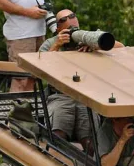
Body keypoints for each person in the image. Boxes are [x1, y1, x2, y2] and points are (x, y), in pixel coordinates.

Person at [39, 9, 124, 154]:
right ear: (58, 28)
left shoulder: (88, 37)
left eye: (72, 16)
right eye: (63, 19)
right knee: (58, 136)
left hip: (85, 96)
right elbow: (37, 67)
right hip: (61, 95)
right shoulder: (51, 43)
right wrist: (57, 46)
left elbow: (121, 48)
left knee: (90, 141)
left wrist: (95, 47)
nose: (70, 19)